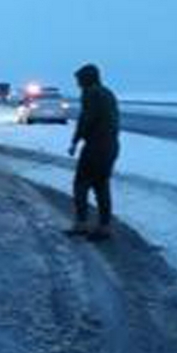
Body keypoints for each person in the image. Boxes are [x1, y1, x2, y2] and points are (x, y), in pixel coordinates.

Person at [67, 63, 120, 241]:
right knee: (101, 185)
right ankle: (104, 226)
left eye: (79, 80)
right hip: (111, 145)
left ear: (86, 79)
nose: (77, 84)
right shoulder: (107, 92)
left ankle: (82, 224)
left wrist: (75, 141)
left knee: (80, 184)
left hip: (96, 146)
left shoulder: (90, 93)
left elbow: (86, 120)